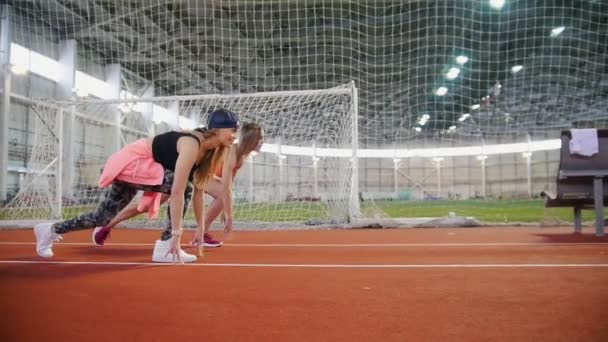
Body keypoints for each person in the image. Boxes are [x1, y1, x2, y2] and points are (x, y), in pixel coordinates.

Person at [34, 109, 239, 263]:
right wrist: (176, 236)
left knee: (102, 217)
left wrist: (200, 229)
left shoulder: (209, 151)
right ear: (217, 129)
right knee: (181, 187)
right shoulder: (192, 144)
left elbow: (199, 192)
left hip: (148, 169)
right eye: (232, 130)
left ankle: (49, 230)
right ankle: (165, 247)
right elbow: (177, 192)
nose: (235, 136)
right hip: (135, 161)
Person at [91, 122, 264, 248]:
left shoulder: (242, 155)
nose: (263, 141)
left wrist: (225, 209)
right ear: (251, 139)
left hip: (200, 175)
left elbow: (227, 183)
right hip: (191, 170)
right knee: (147, 205)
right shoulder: (231, 150)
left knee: (221, 195)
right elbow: (225, 186)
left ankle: (201, 233)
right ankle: (106, 225)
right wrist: (228, 214)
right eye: (260, 138)